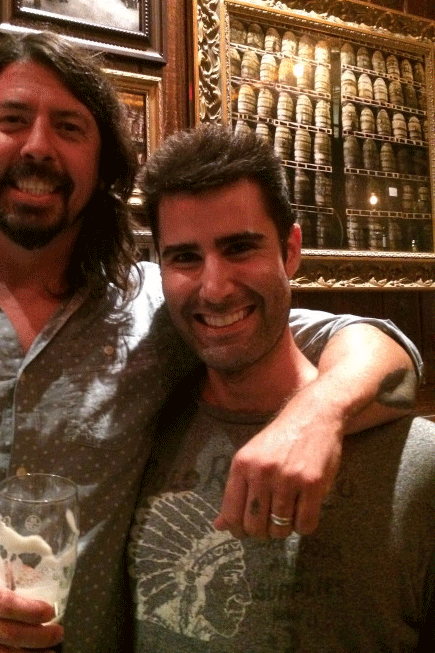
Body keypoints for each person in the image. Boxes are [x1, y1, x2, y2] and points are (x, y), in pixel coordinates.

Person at [0, 33, 420, 653]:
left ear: (102, 168)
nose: (38, 146)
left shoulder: (160, 308)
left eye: (69, 127)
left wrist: (317, 412)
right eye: (12, 120)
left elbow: (376, 348)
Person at [129, 125, 435, 651]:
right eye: (184, 257)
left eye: (239, 248)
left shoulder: (420, 464)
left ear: (290, 250)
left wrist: (319, 413)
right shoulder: (138, 436)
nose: (214, 288)